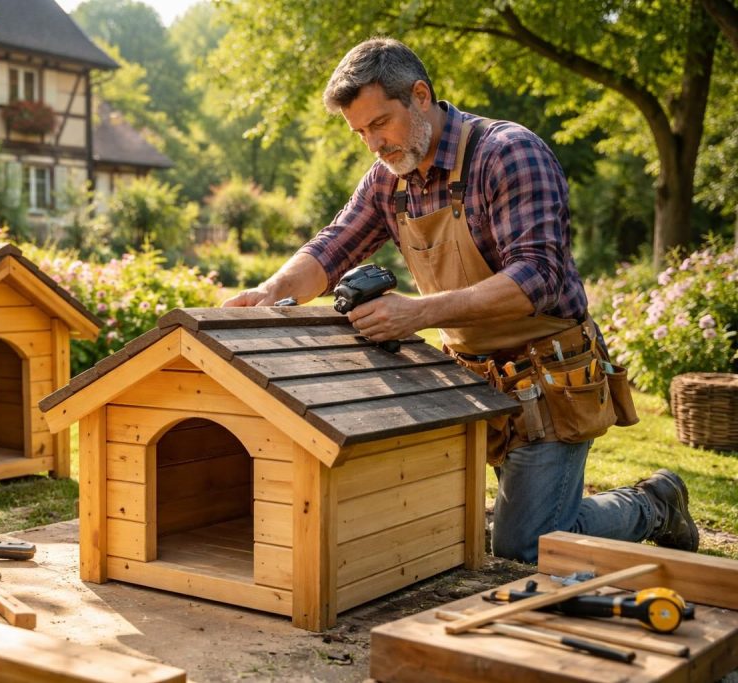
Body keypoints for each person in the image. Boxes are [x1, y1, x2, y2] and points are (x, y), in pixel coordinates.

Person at [224, 37, 699, 563]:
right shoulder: (389, 179)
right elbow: (331, 248)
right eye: (360, 132)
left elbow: (537, 276)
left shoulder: (509, 153)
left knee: (524, 546)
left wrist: (420, 312)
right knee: (453, 522)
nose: (373, 145)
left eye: (380, 124)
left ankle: (654, 503)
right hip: (474, 382)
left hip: (551, 376)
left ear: (420, 95)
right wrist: (270, 291)